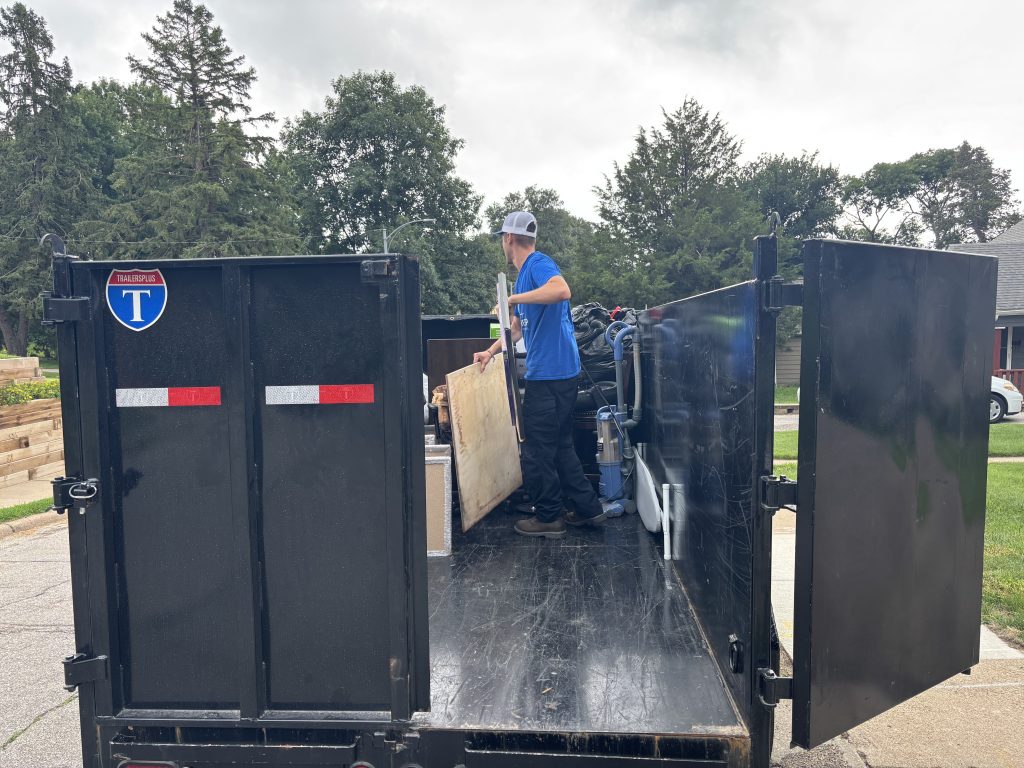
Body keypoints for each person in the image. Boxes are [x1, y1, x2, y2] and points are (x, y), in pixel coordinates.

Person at [474, 211, 606, 538]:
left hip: (548, 377)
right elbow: (517, 329)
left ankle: (548, 517)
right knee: (560, 444)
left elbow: (562, 290)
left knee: (536, 449)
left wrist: (513, 298)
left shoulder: (537, 265)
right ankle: (589, 510)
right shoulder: (523, 279)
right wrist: (491, 352)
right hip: (560, 374)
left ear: (509, 239)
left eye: (503, 239)